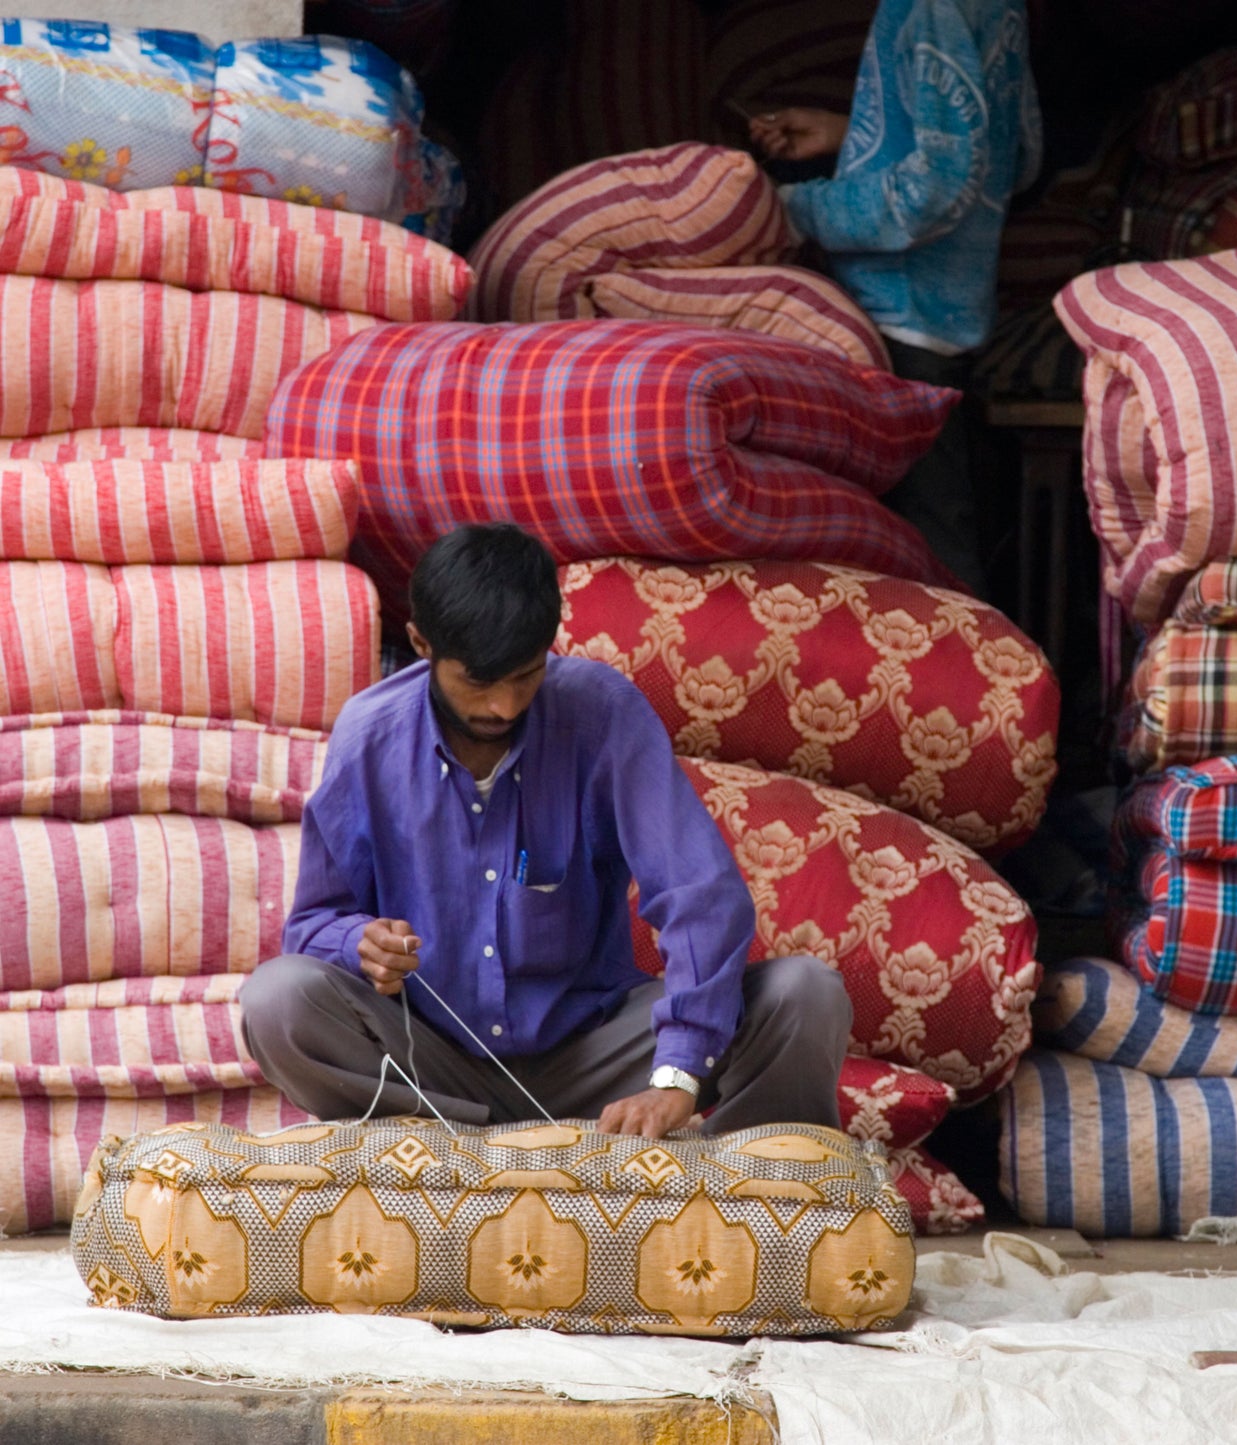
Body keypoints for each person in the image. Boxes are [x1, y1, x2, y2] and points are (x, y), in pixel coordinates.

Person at [240, 523, 851, 1139]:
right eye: (478, 681)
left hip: (598, 1057)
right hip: (433, 1070)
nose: (503, 707)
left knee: (806, 995)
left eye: (525, 676)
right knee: (279, 1002)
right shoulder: (368, 737)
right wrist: (359, 943)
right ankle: (471, 1148)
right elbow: (313, 927)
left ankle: (739, 1187)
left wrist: (675, 1079)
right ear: (422, 644)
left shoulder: (603, 713)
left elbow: (701, 895)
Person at [749, 0, 1043, 597]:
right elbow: (1017, 152)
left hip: (901, 316)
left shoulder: (930, 8)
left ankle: (975, 684)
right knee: (947, 526)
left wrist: (791, 208)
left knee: (929, 555)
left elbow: (934, 189)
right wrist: (847, 131)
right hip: (951, 311)